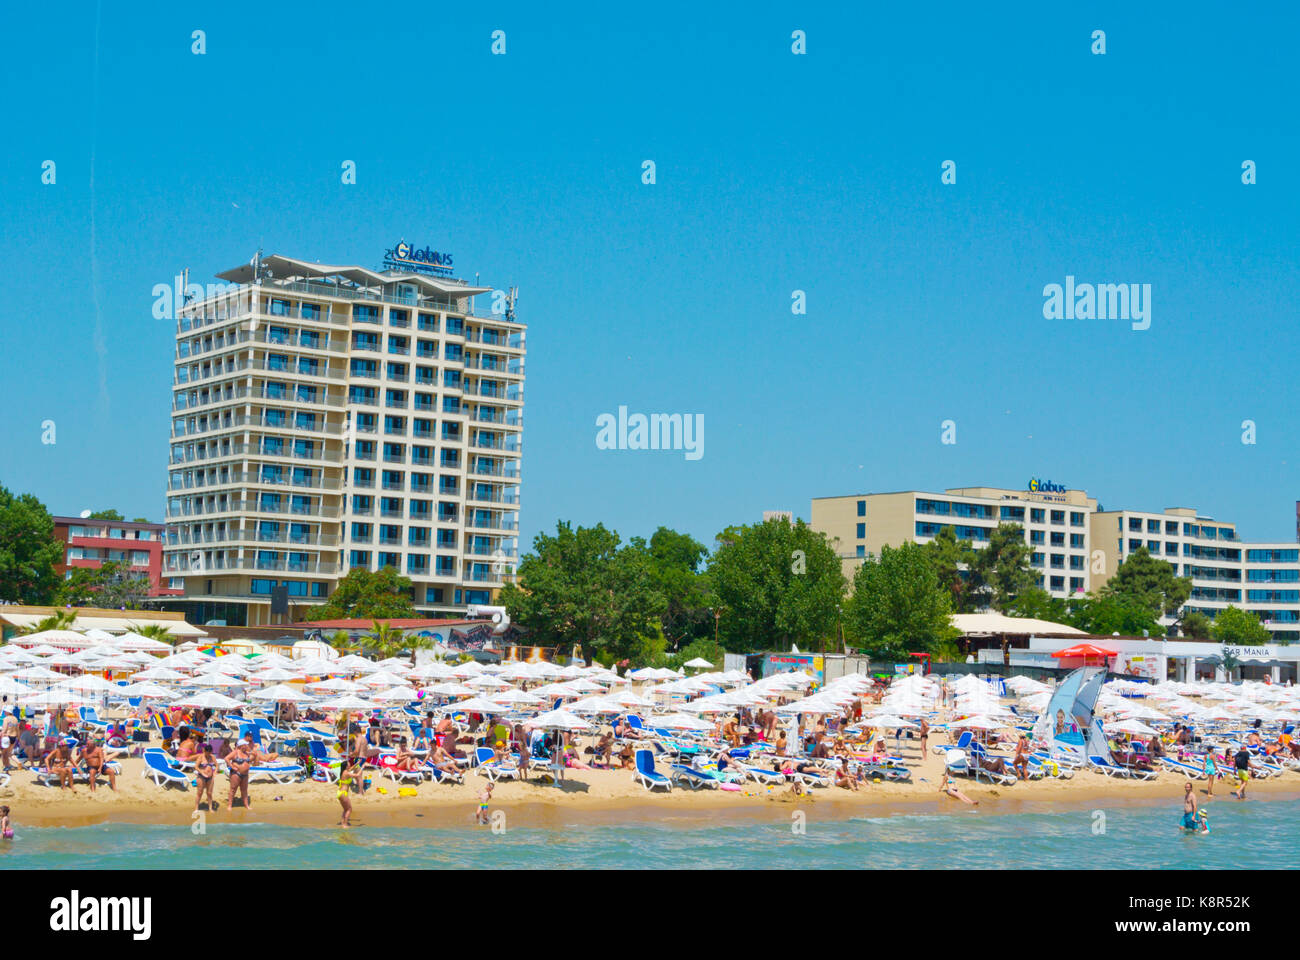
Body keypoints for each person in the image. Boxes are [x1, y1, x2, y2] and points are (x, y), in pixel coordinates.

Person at [226, 740, 253, 811]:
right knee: (233, 789)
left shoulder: (247, 753)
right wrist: (232, 766)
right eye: (245, 745)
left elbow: (252, 759)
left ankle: (246, 805)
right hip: (236, 774)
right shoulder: (235, 752)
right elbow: (227, 758)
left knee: (244, 790)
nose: (247, 746)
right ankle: (229, 805)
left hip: (245, 774)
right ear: (242, 745)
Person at [337, 756, 360, 828]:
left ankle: (342, 822)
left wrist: (357, 764)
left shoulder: (344, 772)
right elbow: (357, 775)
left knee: (345, 809)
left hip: (340, 793)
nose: (349, 764)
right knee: (349, 809)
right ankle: (345, 824)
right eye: (348, 763)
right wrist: (362, 768)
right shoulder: (346, 773)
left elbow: (351, 769)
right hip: (343, 793)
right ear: (346, 766)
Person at [194, 746, 217, 812]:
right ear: (205, 751)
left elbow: (217, 765)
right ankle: (196, 808)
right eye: (207, 753)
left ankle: (210, 808)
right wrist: (202, 772)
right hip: (201, 777)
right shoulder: (201, 757)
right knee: (200, 792)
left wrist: (215, 772)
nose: (209, 754)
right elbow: (196, 767)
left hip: (210, 777)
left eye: (210, 753)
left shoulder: (212, 757)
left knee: (209, 793)